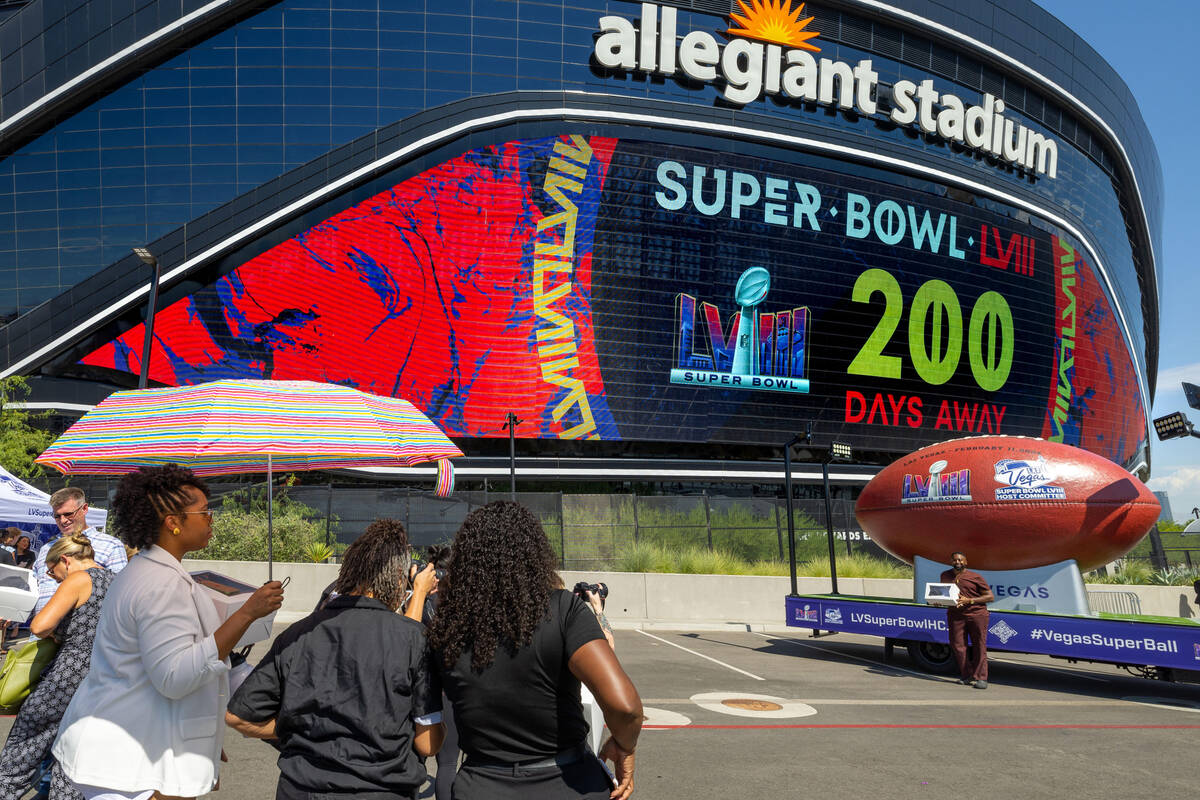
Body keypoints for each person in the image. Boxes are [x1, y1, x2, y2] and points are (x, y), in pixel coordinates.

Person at [52, 464, 284, 800]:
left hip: (133, 746)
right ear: (173, 522)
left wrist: (202, 735)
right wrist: (247, 613)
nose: (211, 519)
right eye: (204, 511)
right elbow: (175, 677)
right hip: (131, 762)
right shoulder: (161, 584)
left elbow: (156, 669)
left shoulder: (148, 571)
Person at [427, 501, 642, 800]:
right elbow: (626, 707)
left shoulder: (448, 625)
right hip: (567, 782)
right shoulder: (563, 609)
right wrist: (625, 746)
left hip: (482, 783)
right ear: (534, 552)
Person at [226, 518, 443, 800]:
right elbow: (428, 744)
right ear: (399, 579)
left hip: (301, 788)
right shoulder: (413, 639)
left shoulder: (298, 634)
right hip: (381, 789)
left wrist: (295, 730)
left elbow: (238, 717)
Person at [0, 534, 113, 800]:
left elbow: (40, 626)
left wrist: (53, 631)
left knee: (21, 752)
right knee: (72, 760)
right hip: (103, 681)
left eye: (53, 572)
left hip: (67, 677)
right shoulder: (117, 581)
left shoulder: (79, 578)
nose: (55, 578)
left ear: (65, 560)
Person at [32, 488, 128, 614]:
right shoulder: (46, 548)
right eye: (57, 516)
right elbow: (35, 587)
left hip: (82, 630)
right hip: (39, 630)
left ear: (84, 509)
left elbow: (121, 593)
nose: (63, 521)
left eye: (68, 514)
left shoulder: (110, 546)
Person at [940, 551, 995, 689]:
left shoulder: (975, 577)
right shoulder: (945, 575)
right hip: (955, 615)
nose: (958, 562)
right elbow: (945, 595)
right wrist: (938, 601)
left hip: (976, 615)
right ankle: (967, 675)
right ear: (951, 562)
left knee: (979, 646)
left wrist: (970, 600)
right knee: (957, 645)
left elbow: (989, 597)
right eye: (955, 560)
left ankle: (981, 678)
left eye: (960, 560)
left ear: (966, 562)